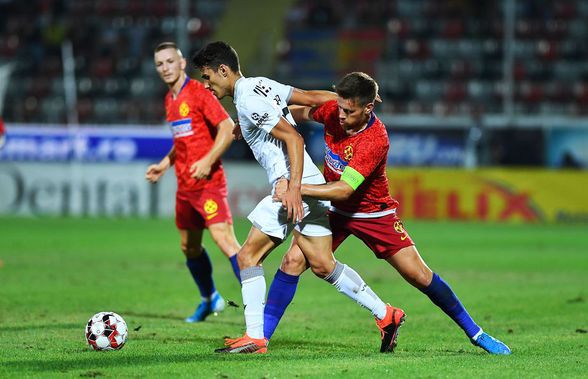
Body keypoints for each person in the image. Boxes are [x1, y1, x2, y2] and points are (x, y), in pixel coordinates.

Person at [268, 72, 511, 355]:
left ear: (368, 108)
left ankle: (476, 334)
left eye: (349, 111)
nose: (341, 116)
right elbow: (303, 111)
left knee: (419, 275)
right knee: (292, 261)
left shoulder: (375, 138)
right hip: (333, 211)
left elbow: (346, 189)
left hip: (373, 213)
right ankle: (260, 339)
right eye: (340, 108)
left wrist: (296, 188)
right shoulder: (335, 112)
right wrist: (265, 123)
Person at [192, 41, 405, 354]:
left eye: (208, 76)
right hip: (310, 182)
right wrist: (245, 127)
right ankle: (386, 314)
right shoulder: (260, 85)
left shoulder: (248, 98)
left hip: (292, 187)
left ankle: (255, 336)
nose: (206, 84)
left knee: (247, 256)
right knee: (322, 264)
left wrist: (292, 187)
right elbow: (310, 97)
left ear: (223, 70)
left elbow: (292, 136)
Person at [146, 42, 241, 323]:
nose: (165, 68)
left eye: (169, 62)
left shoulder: (199, 93)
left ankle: (257, 305)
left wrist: (208, 160)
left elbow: (226, 126)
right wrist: (165, 163)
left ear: (182, 63)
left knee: (225, 241)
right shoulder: (169, 100)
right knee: (189, 247)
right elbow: (182, 140)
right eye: (159, 64)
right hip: (185, 187)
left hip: (209, 183)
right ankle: (210, 298)